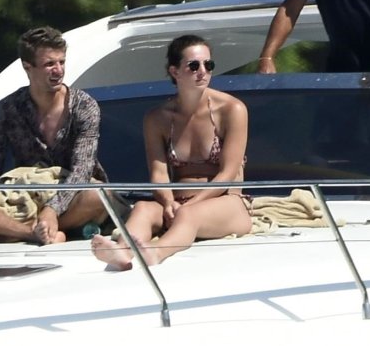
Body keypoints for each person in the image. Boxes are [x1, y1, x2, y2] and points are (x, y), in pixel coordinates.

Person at [92, 35, 251, 269]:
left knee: (188, 215)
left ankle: (156, 253)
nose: (203, 71)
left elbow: (227, 174)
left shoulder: (232, 109)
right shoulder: (157, 118)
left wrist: (189, 205)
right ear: (174, 71)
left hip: (226, 204)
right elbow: (158, 173)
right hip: (176, 203)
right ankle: (123, 252)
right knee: (143, 209)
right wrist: (168, 203)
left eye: (208, 65)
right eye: (194, 66)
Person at [0, 26, 107, 244]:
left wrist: (52, 208)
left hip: (72, 197)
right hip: (23, 196)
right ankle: (30, 233)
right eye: (49, 64)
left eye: (62, 62)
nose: (58, 70)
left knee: (98, 195)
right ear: (27, 67)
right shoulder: (6, 108)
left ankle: (3, 233)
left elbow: (82, 171)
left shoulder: (84, 106)